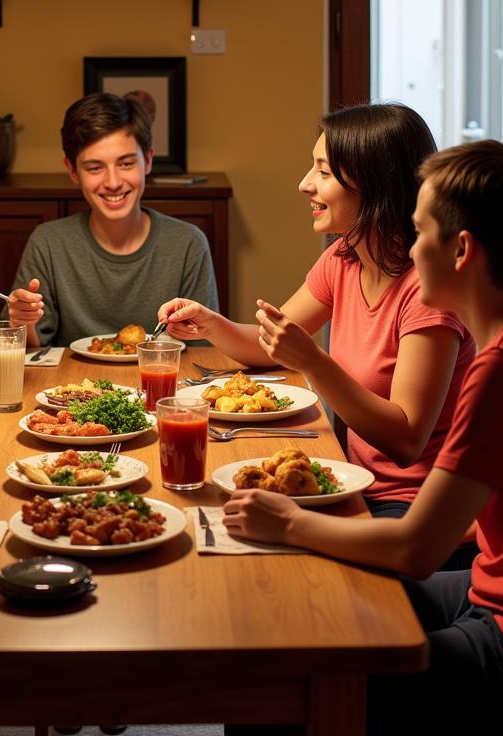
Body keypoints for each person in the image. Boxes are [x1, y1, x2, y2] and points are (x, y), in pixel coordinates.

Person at [223, 141, 503, 730]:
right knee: (317, 603)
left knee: (282, 667)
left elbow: (415, 551)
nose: (410, 249)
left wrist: (285, 521)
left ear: (462, 250)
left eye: (419, 233)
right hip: (501, 585)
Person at [160, 104, 476, 533]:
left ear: (375, 184)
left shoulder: (428, 292)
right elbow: (269, 346)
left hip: (412, 509)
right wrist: (211, 323)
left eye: (323, 172)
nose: (304, 184)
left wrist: (313, 363)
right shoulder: (343, 258)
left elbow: (406, 440)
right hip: (349, 478)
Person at [7, 92, 219, 347]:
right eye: (95, 168)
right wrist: (22, 323)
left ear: (148, 160)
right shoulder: (48, 242)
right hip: (70, 386)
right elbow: (29, 355)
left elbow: (202, 352)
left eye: (126, 164)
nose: (113, 182)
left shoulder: (187, 243)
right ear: (72, 170)